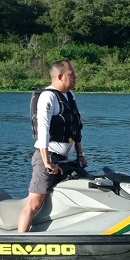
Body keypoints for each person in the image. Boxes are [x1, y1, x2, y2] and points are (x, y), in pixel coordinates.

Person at [18, 59, 87, 232]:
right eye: (72, 74)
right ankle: (20, 241)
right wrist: (47, 162)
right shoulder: (48, 96)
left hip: (66, 160)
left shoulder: (70, 96)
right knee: (34, 203)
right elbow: (43, 130)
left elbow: (76, 128)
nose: (75, 77)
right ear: (60, 76)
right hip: (48, 160)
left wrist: (80, 154)